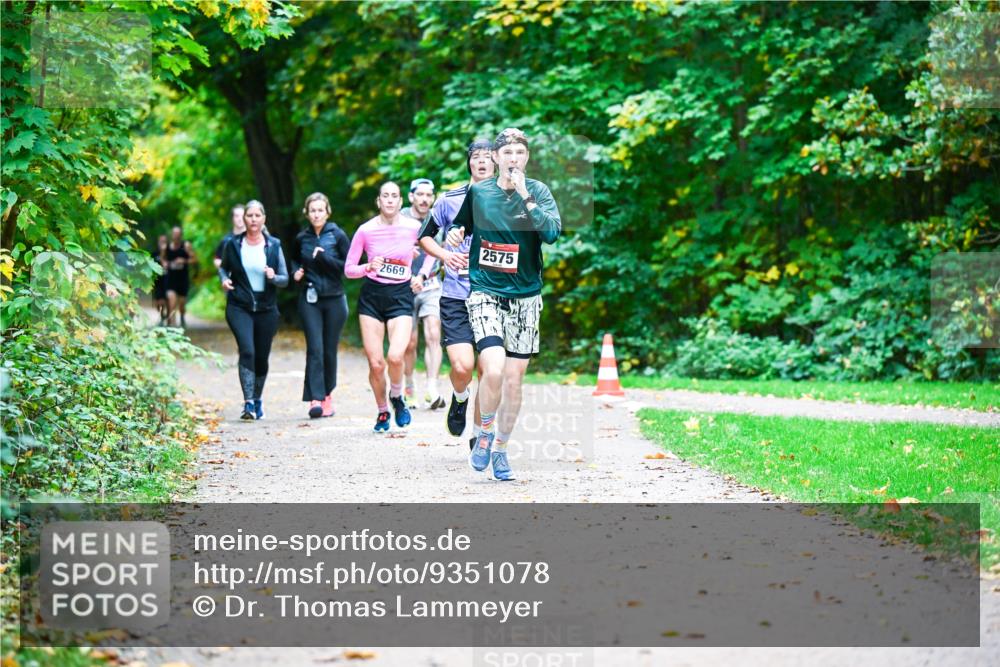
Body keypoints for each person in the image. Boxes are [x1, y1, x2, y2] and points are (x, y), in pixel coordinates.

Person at [442, 128, 561, 481]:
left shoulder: (538, 192)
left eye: (519, 153)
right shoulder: (479, 192)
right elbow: (460, 226)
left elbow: (551, 233)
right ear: (494, 158)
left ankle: (502, 450)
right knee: (491, 369)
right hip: (485, 292)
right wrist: (455, 234)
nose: (513, 159)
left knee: (513, 381)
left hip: (525, 296)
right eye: (506, 152)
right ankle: (485, 434)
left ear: (526, 158)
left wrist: (526, 197)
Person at [418, 139, 495, 449]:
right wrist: (445, 256)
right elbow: (424, 237)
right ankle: (460, 397)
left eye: (488, 158)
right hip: (456, 296)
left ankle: (478, 435)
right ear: (469, 163)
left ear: (496, 164)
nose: (481, 162)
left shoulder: (506, 201)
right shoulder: (449, 200)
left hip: (493, 297)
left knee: (487, 370)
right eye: (476, 157)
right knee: (463, 367)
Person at [344, 181, 433, 432]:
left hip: (401, 295)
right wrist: (367, 267)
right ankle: (383, 411)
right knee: (376, 364)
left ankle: (397, 396)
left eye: (395, 196)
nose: (390, 200)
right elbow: (349, 269)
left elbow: (433, 252)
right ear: (379, 201)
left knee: (395, 356)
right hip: (372, 296)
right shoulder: (365, 230)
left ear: (401, 201)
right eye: (386, 196)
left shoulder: (414, 227)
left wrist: (421, 276)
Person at [218, 200, 289, 420]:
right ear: (244, 219)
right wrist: (224, 280)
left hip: (267, 308)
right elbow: (223, 268)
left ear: (264, 219)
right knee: (247, 350)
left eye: (258, 216)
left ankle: (257, 399)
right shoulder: (233, 244)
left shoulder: (274, 245)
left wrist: (273, 276)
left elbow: (284, 279)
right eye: (250, 216)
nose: (253, 220)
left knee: (262, 356)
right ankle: (248, 403)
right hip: (239, 306)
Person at [291, 192, 350, 419]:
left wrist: (324, 258)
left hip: (335, 299)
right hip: (310, 298)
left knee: (328, 350)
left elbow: (348, 267)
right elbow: (295, 259)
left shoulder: (337, 235)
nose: (316, 214)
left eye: (320, 210)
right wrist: (295, 271)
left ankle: (327, 396)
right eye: (312, 210)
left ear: (328, 212)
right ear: (307, 213)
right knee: (314, 348)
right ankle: (315, 399)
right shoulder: (301, 238)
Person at [401, 177, 446, 411]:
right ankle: (409, 387)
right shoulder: (400, 219)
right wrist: (408, 273)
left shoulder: (437, 219)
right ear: (411, 197)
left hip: (430, 285)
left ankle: (432, 388)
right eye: (420, 194)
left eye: (429, 195)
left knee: (433, 334)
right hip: (404, 286)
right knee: (409, 342)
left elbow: (439, 252)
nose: (425, 199)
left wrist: (423, 277)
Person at [163, 226, 196, 328]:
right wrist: (165, 264)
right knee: (171, 301)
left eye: (178, 234)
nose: (176, 236)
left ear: (181, 235)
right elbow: (163, 259)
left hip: (183, 279)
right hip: (171, 278)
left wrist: (184, 261)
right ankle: (172, 325)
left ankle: (182, 316)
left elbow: (194, 259)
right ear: (171, 235)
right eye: (174, 234)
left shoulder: (186, 246)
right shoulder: (166, 247)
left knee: (182, 304)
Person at [215, 204, 246, 269]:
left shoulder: (254, 237)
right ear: (232, 218)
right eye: (237, 216)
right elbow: (217, 259)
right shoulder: (226, 240)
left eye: (242, 216)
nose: (240, 219)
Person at [152, 234, 169, 325]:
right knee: (158, 303)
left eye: (164, 241)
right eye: (161, 241)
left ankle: (164, 317)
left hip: (168, 280)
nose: (163, 243)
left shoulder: (170, 254)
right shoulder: (154, 254)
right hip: (157, 280)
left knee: (165, 300)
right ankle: (162, 315)